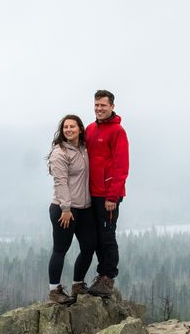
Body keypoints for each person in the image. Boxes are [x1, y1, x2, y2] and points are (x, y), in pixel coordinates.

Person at [82, 89, 128, 297]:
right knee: (97, 237)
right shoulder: (90, 129)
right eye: (97, 104)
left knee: (107, 236)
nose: (99, 108)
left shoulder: (118, 132)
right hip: (91, 193)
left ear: (112, 106)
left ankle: (108, 277)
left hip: (108, 195)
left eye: (103, 105)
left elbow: (121, 165)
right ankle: (101, 275)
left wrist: (112, 197)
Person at [46, 114, 96, 305]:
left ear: (80, 129)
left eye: (72, 127)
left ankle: (77, 284)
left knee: (89, 246)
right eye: (65, 127)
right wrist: (66, 208)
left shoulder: (83, 148)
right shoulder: (60, 153)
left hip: (84, 208)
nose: (68, 130)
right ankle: (54, 291)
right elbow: (61, 182)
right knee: (60, 249)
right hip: (63, 209)